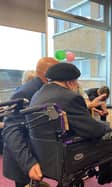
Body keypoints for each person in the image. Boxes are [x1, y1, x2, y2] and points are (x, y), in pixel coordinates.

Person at [29, 63, 112, 184]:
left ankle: (109, 172)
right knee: (110, 133)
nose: (77, 85)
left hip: (42, 154)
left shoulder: (37, 95)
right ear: (69, 82)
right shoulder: (70, 97)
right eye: (76, 82)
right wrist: (106, 126)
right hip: (66, 154)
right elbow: (92, 130)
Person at [2, 57, 59, 187]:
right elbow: (11, 129)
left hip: (33, 147)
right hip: (21, 155)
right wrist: (28, 163)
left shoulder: (45, 89)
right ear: (47, 74)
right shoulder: (26, 92)